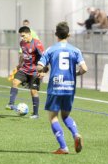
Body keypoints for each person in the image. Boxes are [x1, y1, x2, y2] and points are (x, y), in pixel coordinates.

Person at [37, 21, 88, 154]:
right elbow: (84, 69)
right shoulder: (75, 50)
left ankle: (63, 147)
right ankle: (76, 134)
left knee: (53, 117)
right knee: (65, 116)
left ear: (56, 34)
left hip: (55, 87)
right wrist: (74, 74)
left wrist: (45, 68)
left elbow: (39, 67)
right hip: (69, 87)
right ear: (69, 35)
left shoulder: (51, 49)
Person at [6, 26, 45, 119]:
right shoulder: (22, 43)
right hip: (24, 69)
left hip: (35, 71)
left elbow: (44, 57)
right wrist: (19, 64)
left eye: (24, 36)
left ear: (29, 34)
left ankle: (35, 114)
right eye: (21, 36)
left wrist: (42, 71)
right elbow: (23, 55)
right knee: (15, 82)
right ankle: (11, 104)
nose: (22, 38)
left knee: (33, 91)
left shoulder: (37, 43)